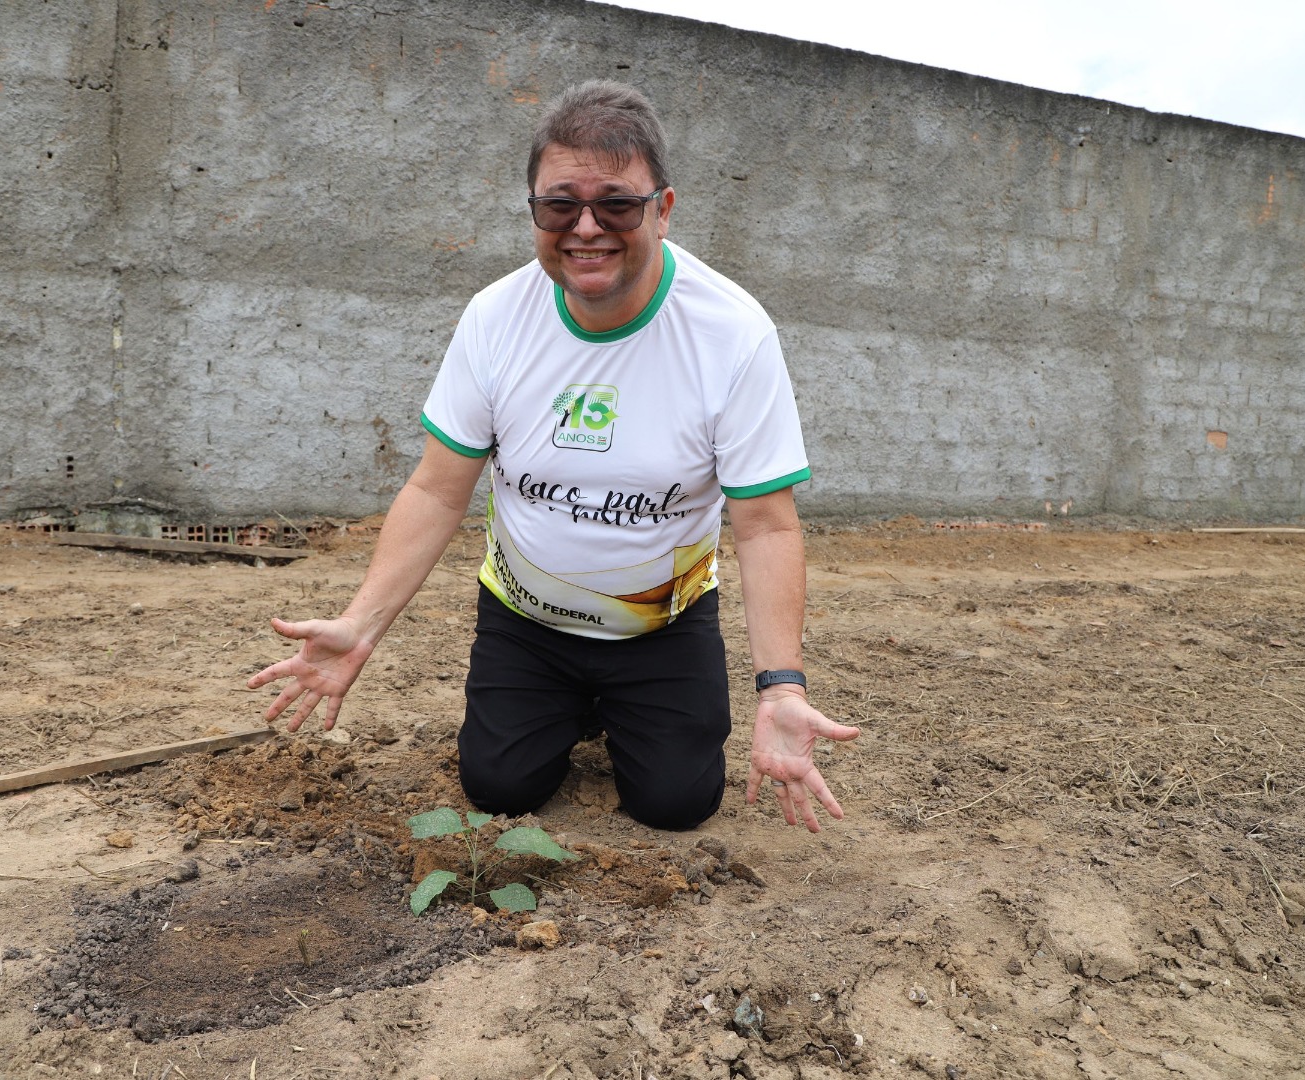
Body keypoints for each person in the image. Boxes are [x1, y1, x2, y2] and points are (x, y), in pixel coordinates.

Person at [249, 80, 858, 832]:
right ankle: (565, 708)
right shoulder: (496, 316)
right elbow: (439, 490)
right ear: (534, 211)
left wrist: (780, 689)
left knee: (676, 804)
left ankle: (621, 712)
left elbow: (765, 524)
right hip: (525, 623)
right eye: (559, 204)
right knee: (500, 788)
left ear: (662, 210)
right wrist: (361, 625)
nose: (586, 227)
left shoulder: (731, 333)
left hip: (659, 626)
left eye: (616, 204)